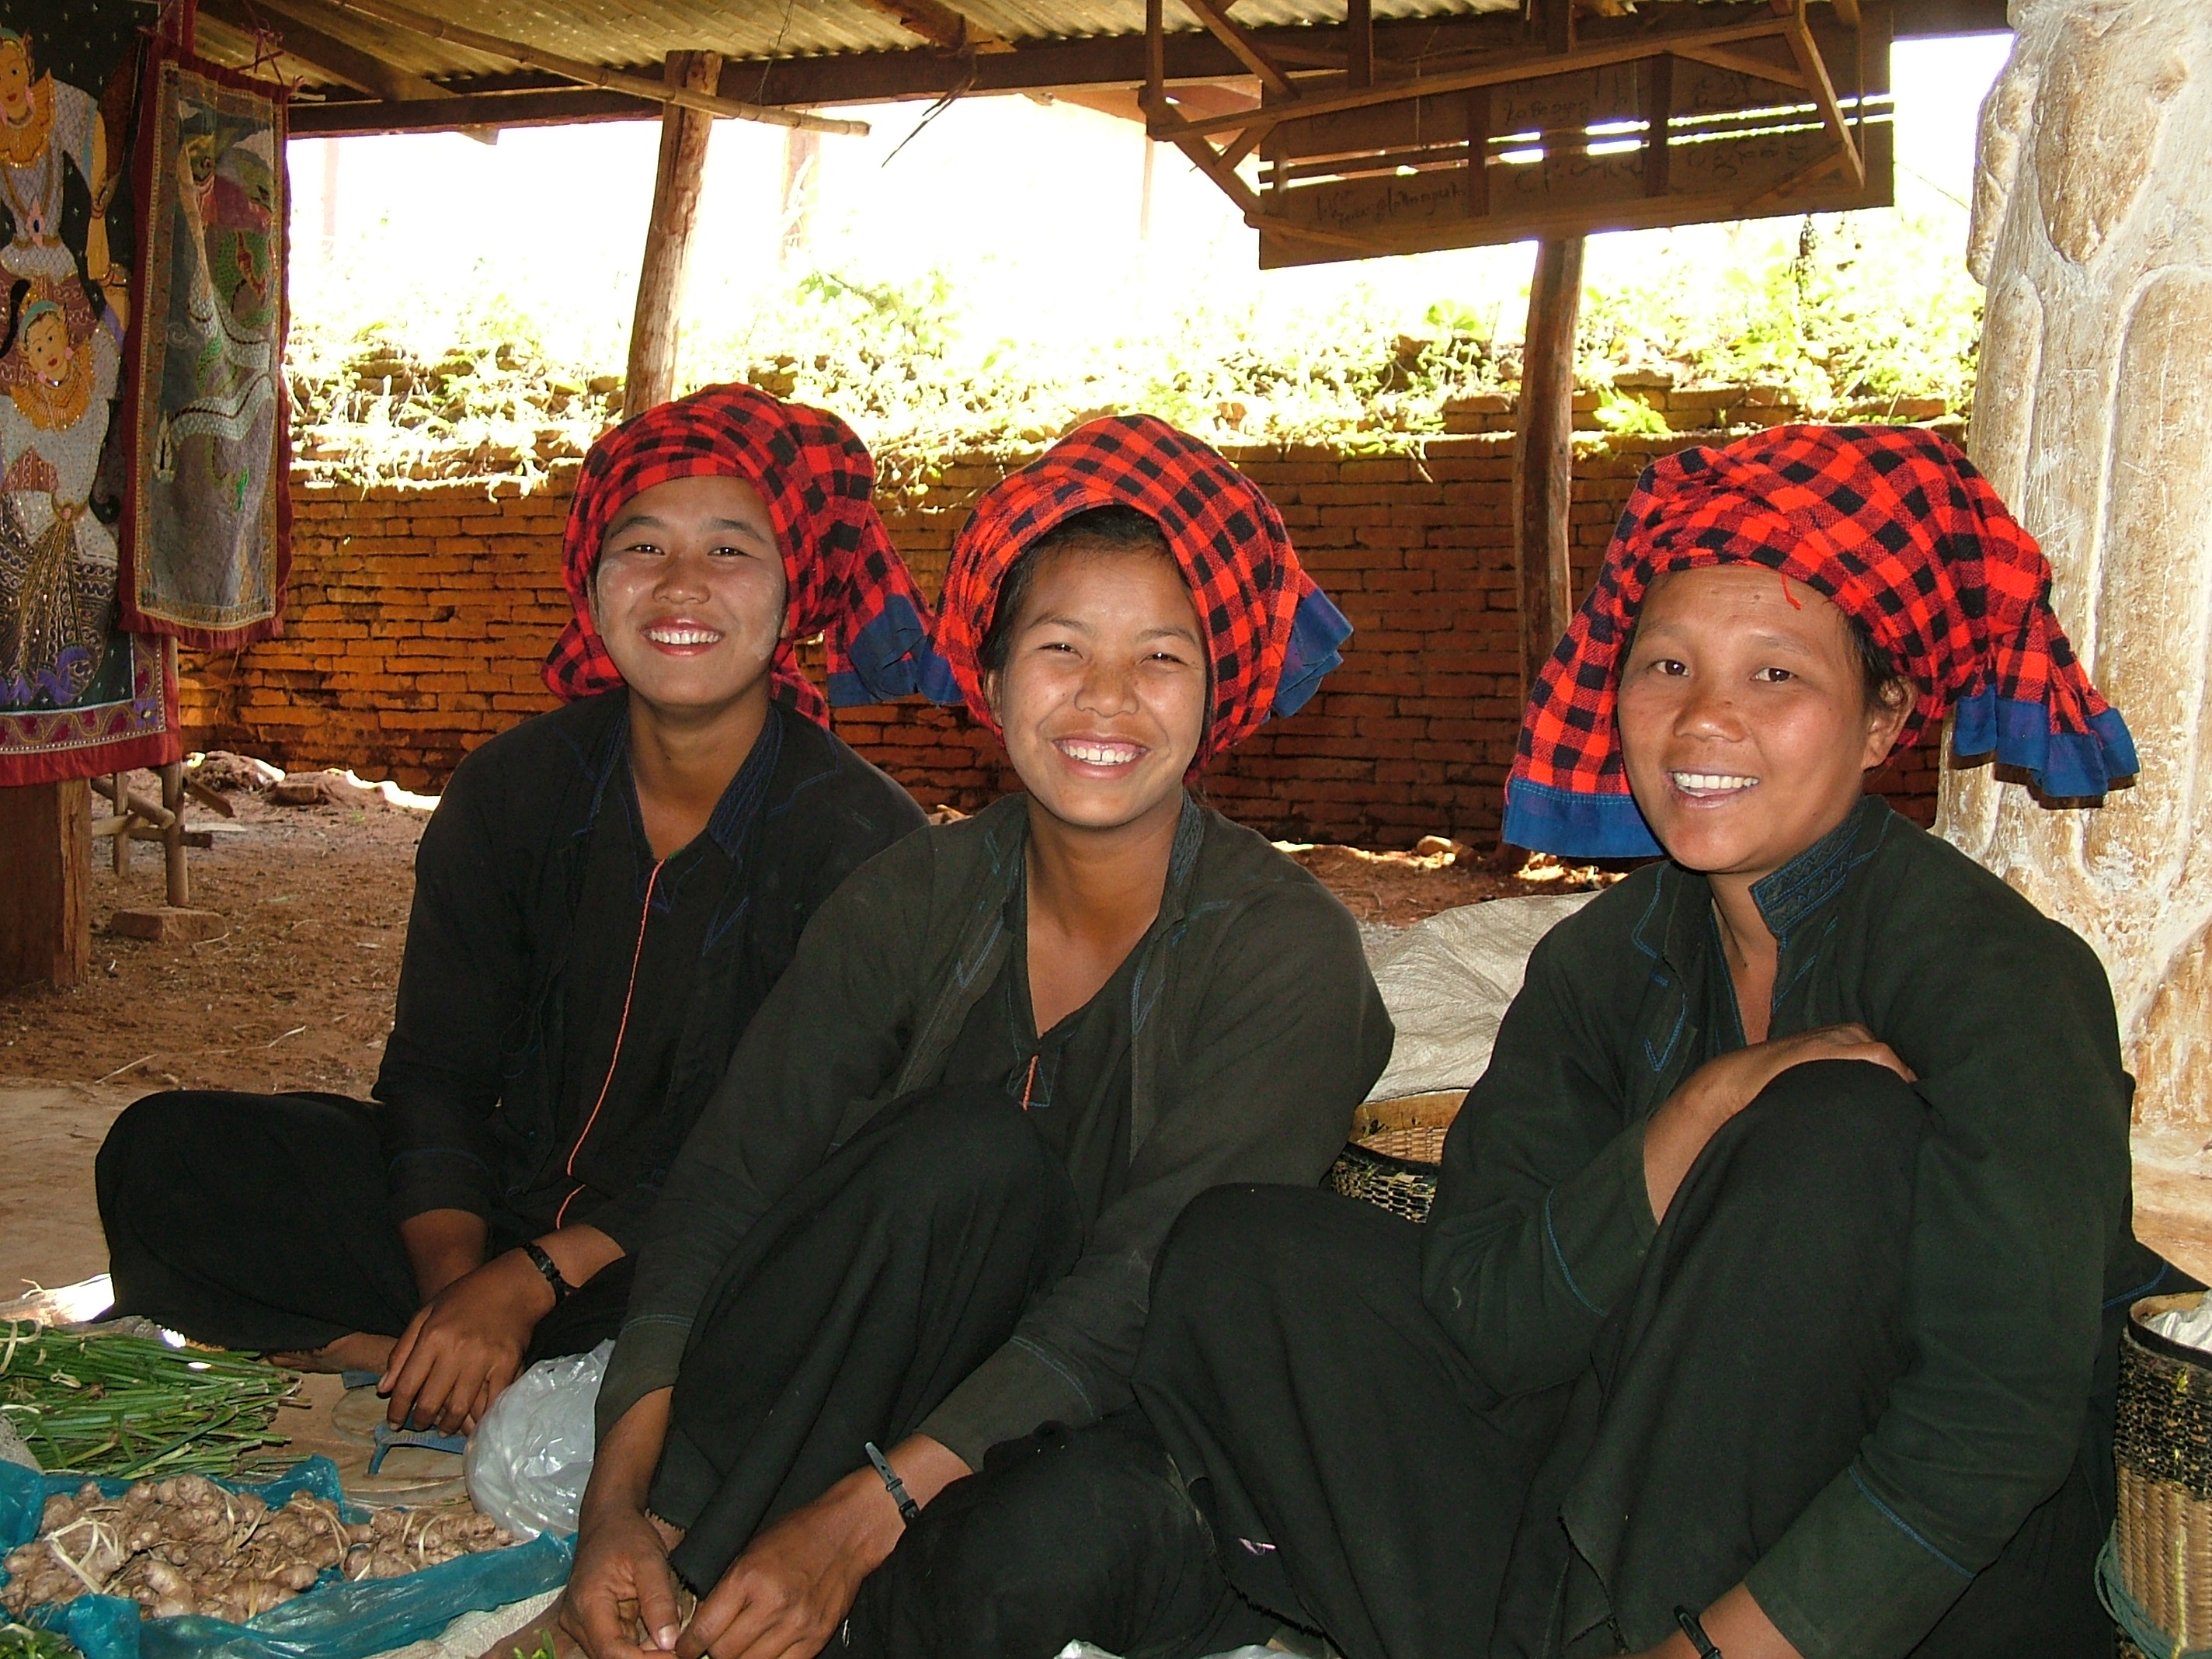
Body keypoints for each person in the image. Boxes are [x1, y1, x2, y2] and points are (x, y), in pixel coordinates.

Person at [935, 423, 2176, 1659]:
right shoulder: (1600, 964)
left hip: (1905, 1587)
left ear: (1882, 719)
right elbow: (1483, 1319)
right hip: (1637, 1501)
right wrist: (1690, 1121)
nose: (1705, 721)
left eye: (1776, 676)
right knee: (1240, 1253)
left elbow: (1991, 1427)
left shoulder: (1996, 976)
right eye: (1668, 666)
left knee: (1828, 1133)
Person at [558, 414, 1391, 1659]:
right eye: (1061, 648)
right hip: (873, 1385)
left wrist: (857, 1521)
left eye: (1161, 658)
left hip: (1117, 1414)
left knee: (1034, 1555)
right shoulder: (912, 897)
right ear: (992, 683)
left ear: (1218, 698)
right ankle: (693, 1567)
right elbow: (728, 1190)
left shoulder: (1285, 955)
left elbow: (1140, 1292)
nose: (1105, 697)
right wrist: (619, 1505)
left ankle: (787, 1585)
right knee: (961, 1156)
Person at [96, 384, 936, 1437]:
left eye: (730, 550)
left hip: (692, 1253)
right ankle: (469, 1357)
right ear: (593, 580)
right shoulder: (513, 789)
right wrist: (461, 1290)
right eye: (642, 547)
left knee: (820, 1285)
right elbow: (438, 1074)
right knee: (166, 1151)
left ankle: (419, 1355)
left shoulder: (861, 840)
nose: (681, 585)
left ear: (794, 585)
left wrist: (534, 1282)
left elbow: (780, 1150)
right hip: (493, 1216)